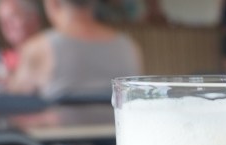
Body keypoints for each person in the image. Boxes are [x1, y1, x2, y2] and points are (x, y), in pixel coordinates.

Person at [9, 0, 142, 100]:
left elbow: (14, 100)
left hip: (59, 130)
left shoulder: (39, 47)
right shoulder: (128, 46)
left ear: (53, 3)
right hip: (115, 130)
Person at [0, 0, 43, 75]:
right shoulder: (2, 59)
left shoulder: (51, 50)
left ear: (33, 18)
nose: (7, 25)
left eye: (12, 17)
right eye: (2, 21)